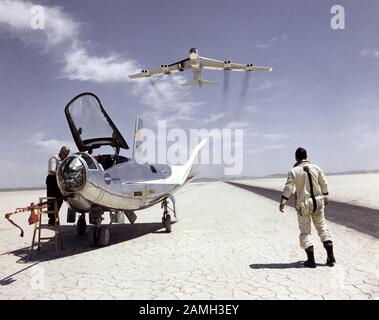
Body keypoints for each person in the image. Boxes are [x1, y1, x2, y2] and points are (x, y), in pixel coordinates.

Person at [279, 147, 336, 268]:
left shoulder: (294, 171)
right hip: (318, 202)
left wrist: (283, 201)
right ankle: (330, 256)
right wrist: (326, 196)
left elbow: (289, 188)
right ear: (307, 156)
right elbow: (324, 183)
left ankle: (311, 260)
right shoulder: (317, 168)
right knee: (322, 227)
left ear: (296, 157)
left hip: (304, 204)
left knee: (305, 231)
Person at [46, 146, 70, 225]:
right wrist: (61, 173)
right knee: (52, 200)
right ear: (61, 152)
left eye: (67, 155)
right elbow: (52, 171)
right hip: (52, 180)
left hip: (59, 180)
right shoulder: (54, 159)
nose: (66, 156)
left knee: (60, 200)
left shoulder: (65, 160)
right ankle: (51, 219)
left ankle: (54, 217)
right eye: (65, 154)